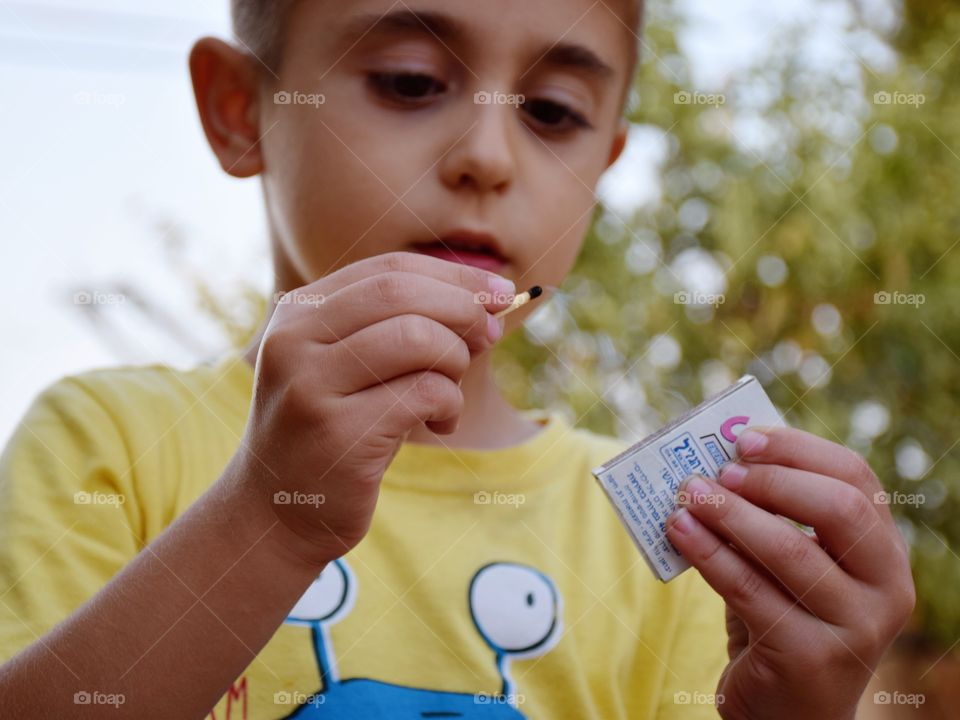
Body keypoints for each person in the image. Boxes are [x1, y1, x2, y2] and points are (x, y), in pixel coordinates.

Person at [0, 1, 914, 718]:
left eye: (553, 112)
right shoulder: (104, 442)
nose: (487, 154)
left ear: (603, 164)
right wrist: (271, 524)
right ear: (241, 110)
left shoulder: (674, 540)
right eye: (408, 82)